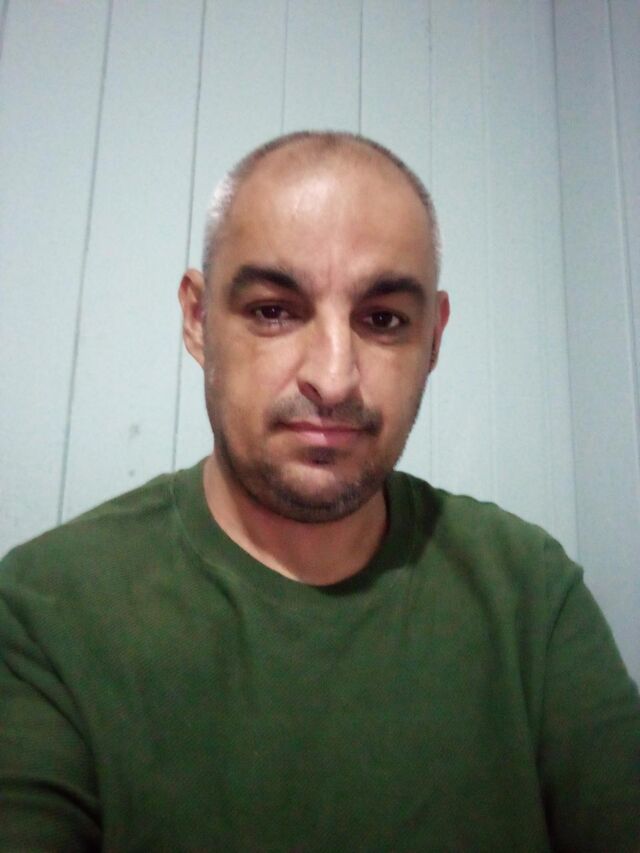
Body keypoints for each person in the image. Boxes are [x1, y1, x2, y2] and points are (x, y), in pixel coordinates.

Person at [0, 131, 638, 852]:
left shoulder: (529, 592)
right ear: (197, 320)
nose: (333, 380)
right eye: (274, 310)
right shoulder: (46, 608)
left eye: (383, 319)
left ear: (433, 338)